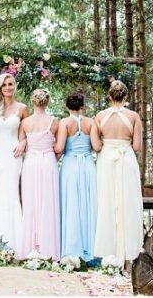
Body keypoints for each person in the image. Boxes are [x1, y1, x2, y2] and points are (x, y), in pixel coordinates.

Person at [94, 80, 144, 267]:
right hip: (126, 159)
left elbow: (96, 145)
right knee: (128, 202)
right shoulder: (133, 116)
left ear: (109, 96)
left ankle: (108, 253)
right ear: (126, 96)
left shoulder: (100, 116)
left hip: (106, 160)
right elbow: (136, 146)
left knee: (106, 202)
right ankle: (129, 253)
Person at [0, 73, 28, 250]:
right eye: (4, 85)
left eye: (10, 84)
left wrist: (23, 143)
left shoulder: (22, 108)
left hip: (12, 156)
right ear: (0, 88)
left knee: (10, 194)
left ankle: (13, 241)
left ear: (15, 86)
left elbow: (28, 131)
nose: (8, 87)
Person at [55, 92, 100, 262]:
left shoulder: (65, 123)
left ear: (67, 106)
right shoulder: (91, 122)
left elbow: (59, 148)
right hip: (88, 165)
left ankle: (72, 248)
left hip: (70, 166)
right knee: (89, 205)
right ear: (83, 107)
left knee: (71, 204)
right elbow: (96, 146)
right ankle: (91, 249)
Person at [19, 89, 60, 260]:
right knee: (48, 202)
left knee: (30, 201)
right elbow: (59, 148)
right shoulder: (55, 122)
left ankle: (29, 246)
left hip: (30, 162)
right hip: (48, 162)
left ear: (32, 101)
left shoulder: (25, 122)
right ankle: (47, 247)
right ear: (47, 102)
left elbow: (21, 144)